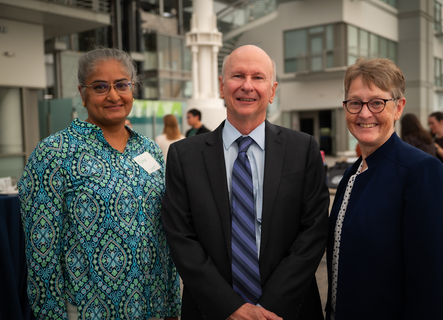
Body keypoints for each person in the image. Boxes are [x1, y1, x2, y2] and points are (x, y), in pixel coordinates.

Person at [162, 45, 330, 320]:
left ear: (273, 90)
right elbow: (181, 237)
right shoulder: (185, 155)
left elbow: (313, 231)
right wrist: (230, 307)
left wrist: (267, 308)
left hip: (288, 310)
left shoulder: (303, 149)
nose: (247, 86)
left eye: (258, 77)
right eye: (238, 75)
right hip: (211, 311)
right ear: (222, 85)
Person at [18, 48, 181, 320]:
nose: (114, 95)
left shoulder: (149, 150)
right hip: (89, 309)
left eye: (122, 85)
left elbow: (164, 234)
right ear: (83, 94)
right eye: (100, 87)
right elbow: (41, 252)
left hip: (153, 305)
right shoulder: (54, 153)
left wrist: (173, 305)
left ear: (133, 88)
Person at [326, 58, 443, 320]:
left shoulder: (422, 171)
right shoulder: (352, 173)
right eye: (355, 102)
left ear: (398, 107)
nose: (364, 113)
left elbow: (432, 286)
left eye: (377, 102)